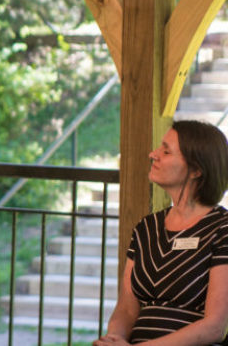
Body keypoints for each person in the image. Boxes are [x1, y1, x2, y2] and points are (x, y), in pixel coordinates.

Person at [93, 120, 228, 346]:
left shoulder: (222, 228)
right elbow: (126, 309)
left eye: (166, 151)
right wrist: (115, 338)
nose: (153, 154)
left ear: (196, 170)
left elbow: (214, 327)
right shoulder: (145, 228)